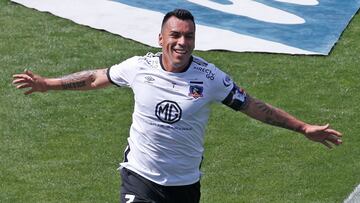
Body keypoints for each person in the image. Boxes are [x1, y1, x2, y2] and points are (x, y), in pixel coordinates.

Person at [13, 8, 342, 203]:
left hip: (184, 185)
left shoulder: (210, 78)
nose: (182, 42)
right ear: (161, 38)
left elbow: (253, 106)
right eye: (175, 35)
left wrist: (302, 127)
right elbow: (97, 77)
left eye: (189, 36)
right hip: (139, 176)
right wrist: (47, 84)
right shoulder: (138, 68)